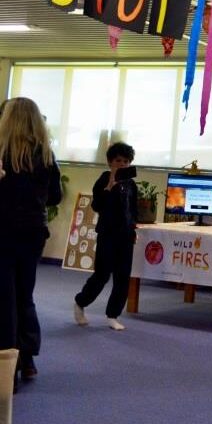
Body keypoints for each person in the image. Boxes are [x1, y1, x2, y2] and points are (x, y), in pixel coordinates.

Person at [0, 97, 62, 389]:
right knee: (25, 295)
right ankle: (28, 359)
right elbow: (55, 197)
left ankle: (6, 369)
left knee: (5, 299)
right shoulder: (47, 155)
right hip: (33, 233)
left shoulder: (1, 154)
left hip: (2, 233)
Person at [74, 142, 139, 331]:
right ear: (110, 162)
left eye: (126, 161)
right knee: (102, 274)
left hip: (125, 236)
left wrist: (133, 229)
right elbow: (97, 206)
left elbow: (133, 210)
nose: (122, 164)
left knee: (123, 277)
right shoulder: (103, 180)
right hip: (107, 234)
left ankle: (112, 315)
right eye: (118, 161)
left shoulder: (131, 184)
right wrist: (109, 187)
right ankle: (80, 302)